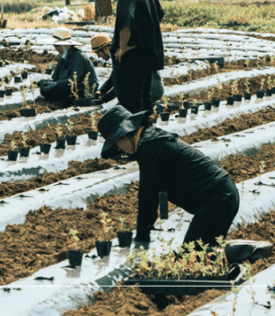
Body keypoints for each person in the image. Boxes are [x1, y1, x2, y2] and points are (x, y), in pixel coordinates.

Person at [97, 105, 239, 249]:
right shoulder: (151, 141)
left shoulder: (150, 147)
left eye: (117, 143)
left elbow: (148, 195)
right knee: (205, 251)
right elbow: (152, 192)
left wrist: (142, 238)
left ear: (126, 133)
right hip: (221, 196)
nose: (119, 149)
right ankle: (241, 254)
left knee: (193, 255)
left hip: (217, 199)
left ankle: (247, 251)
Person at [109, 0, 165, 114]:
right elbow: (158, 15)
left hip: (131, 62)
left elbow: (125, 24)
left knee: (131, 106)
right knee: (145, 104)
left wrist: (123, 47)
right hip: (147, 60)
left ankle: (135, 136)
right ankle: (145, 135)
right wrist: (144, 33)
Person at [89, 33, 164, 107]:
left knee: (124, 108)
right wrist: (101, 91)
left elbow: (120, 85)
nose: (98, 56)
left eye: (97, 52)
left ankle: (153, 110)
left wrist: (103, 100)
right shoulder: (117, 54)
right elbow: (113, 78)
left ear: (105, 48)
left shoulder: (121, 55)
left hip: (153, 87)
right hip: (146, 86)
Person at [37, 27, 98, 107]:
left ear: (66, 45)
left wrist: (56, 84)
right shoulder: (62, 58)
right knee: (44, 89)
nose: (55, 48)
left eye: (57, 46)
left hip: (81, 89)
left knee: (63, 90)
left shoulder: (78, 56)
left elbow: (74, 80)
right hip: (66, 86)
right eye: (55, 45)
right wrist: (46, 83)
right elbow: (55, 77)